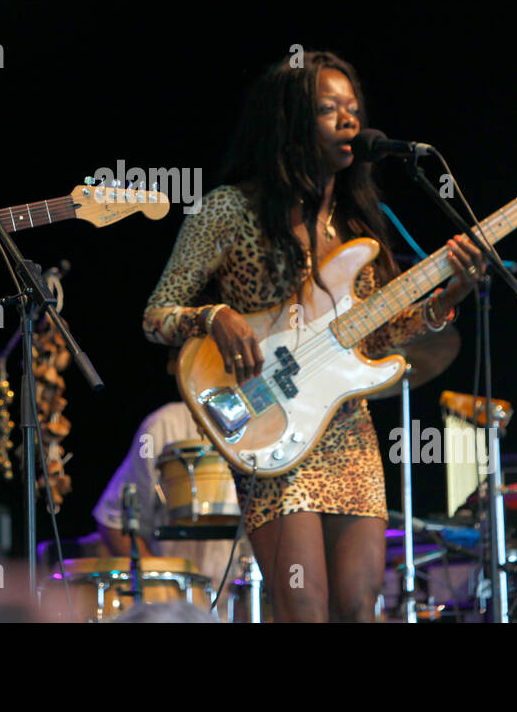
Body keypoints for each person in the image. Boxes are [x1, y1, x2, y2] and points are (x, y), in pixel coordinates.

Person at [142, 50, 487, 622]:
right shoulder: (229, 209)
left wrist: (447, 298)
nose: (349, 120)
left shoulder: (359, 226)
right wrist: (212, 317)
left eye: (353, 108)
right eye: (329, 110)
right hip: (269, 425)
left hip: (348, 432)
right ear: (290, 126)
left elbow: (379, 338)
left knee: (359, 606)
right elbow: (156, 314)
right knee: (304, 607)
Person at [93, 400, 256, 617]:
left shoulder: (268, 424)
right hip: (173, 614)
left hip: (246, 608)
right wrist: (165, 590)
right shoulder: (164, 425)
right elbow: (114, 522)